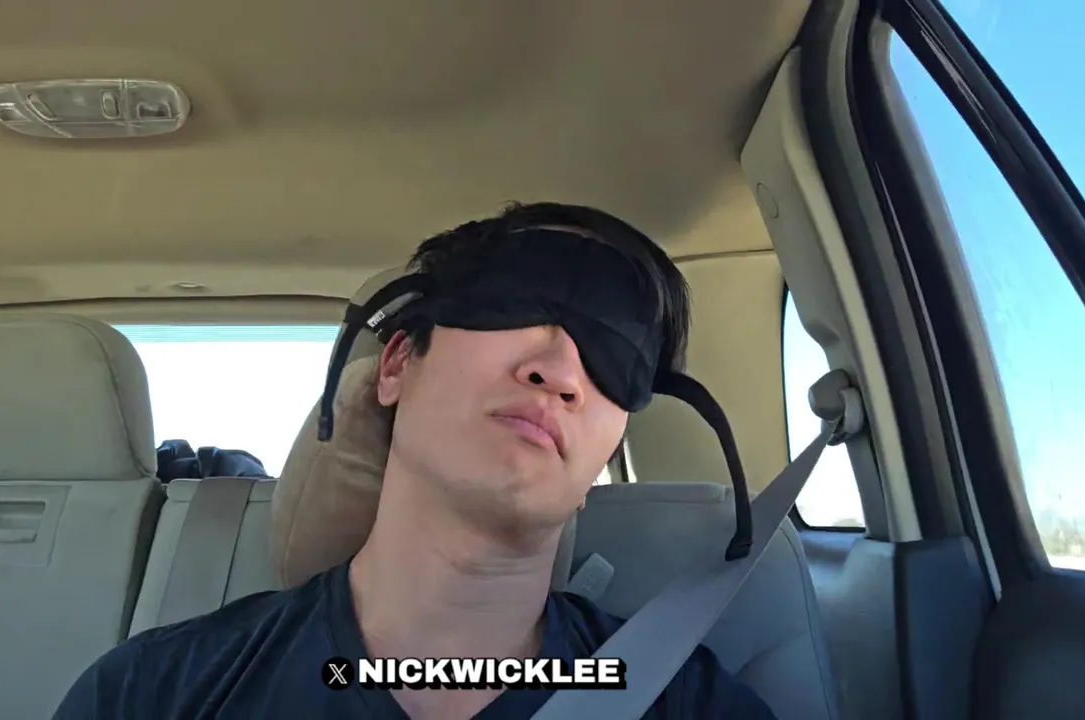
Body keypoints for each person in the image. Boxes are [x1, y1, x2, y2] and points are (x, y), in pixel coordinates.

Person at [52, 203, 778, 719]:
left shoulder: (687, 703)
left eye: (614, 354)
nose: (559, 371)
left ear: (604, 458)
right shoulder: (154, 694)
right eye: (518, 301)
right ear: (397, 364)